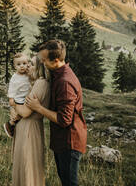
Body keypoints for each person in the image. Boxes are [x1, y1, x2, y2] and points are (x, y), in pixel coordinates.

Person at [26, 39, 87, 186]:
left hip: (69, 141)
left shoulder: (64, 82)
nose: (42, 62)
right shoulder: (58, 73)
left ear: (57, 60)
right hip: (62, 140)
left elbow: (65, 119)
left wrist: (38, 108)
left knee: (69, 183)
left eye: (45, 60)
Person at [11, 55, 50, 186]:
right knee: (23, 165)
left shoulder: (41, 83)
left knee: (28, 166)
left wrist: (13, 104)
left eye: (32, 64)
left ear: (40, 67)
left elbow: (25, 112)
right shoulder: (35, 82)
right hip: (26, 127)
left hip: (29, 128)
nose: (28, 66)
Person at [4, 53, 34, 138]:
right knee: (18, 115)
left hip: (26, 97)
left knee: (24, 113)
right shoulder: (15, 77)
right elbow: (12, 88)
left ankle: (14, 125)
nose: (22, 66)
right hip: (19, 99)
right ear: (15, 66)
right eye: (18, 64)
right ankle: (10, 124)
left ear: (28, 64)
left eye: (24, 63)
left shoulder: (27, 73)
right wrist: (11, 98)